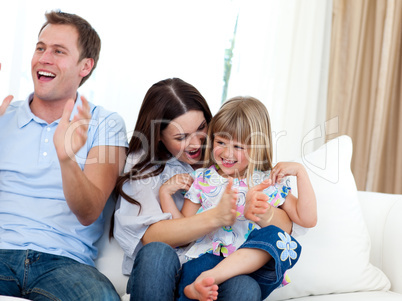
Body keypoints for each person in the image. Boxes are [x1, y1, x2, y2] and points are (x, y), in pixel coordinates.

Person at [113, 79, 295, 301]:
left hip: (219, 269)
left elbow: (286, 225)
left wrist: (263, 210)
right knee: (156, 253)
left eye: (201, 128)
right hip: (169, 267)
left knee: (245, 287)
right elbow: (153, 238)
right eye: (181, 137)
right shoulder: (143, 165)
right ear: (159, 137)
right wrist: (215, 217)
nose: (197, 143)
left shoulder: (228, 155)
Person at [0, 11, 128, 300]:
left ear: (85, 66)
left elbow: (89, 212)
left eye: (58, 51)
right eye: (40, 48)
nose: (44, 58)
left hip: (65, 265)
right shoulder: (3, 116)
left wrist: (67, 159)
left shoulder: (106, 124)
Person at [160, 96, 317, 301]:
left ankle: (212, 277)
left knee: (280, 240)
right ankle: (199, 284)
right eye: (221, 142)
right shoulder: (203, 179)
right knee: (194, 274)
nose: (226, 153)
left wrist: (300, 172)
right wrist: (165, 195)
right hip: (206, 258)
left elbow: (307, 219)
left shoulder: (269, 181)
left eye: (238, 147)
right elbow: (184, 232)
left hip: (247, 267)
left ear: (257, 148)